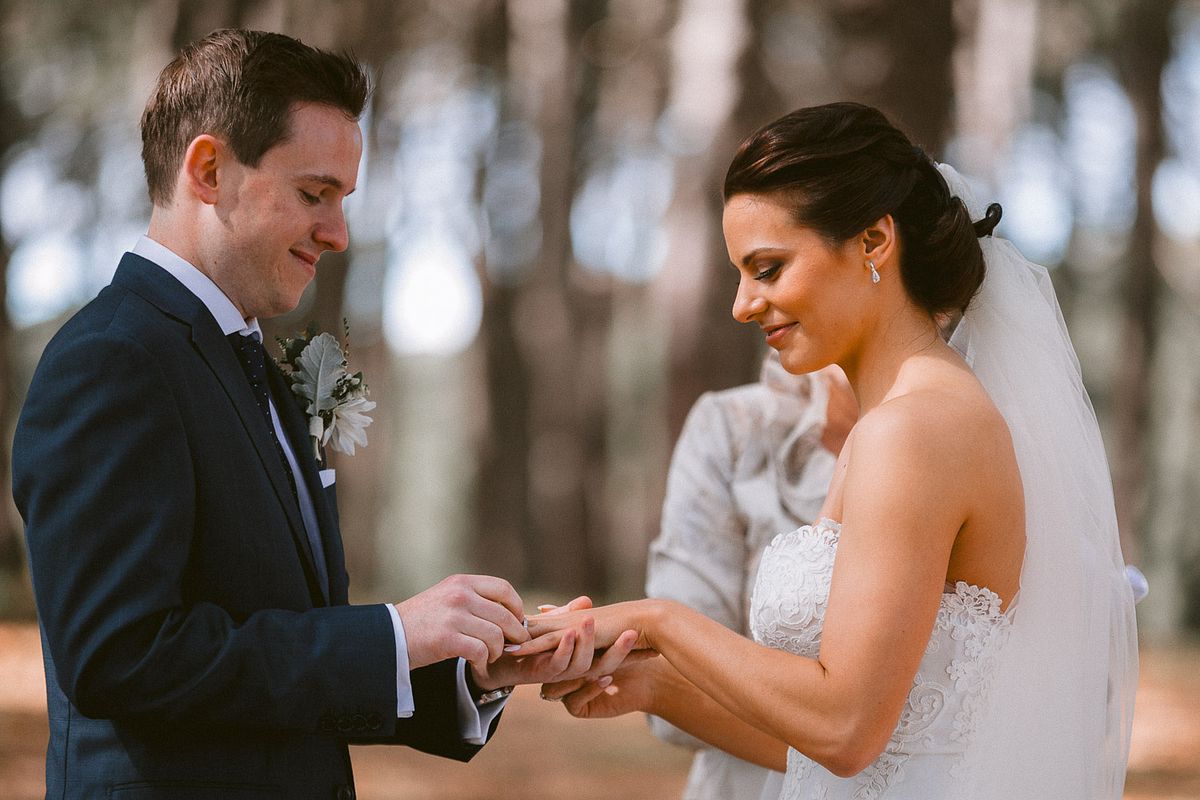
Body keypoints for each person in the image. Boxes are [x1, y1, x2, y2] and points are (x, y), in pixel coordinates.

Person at [11, 29, 630, 799]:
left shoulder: (256, 369)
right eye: (314, 194)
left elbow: (283, 659)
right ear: (208, 170)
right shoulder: (112, 361)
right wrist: (394, 633)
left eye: (343, 199)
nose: (338, 233)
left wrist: (465, 668)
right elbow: (120, 659)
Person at [524, 102, 1138, 798]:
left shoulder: (914, 431)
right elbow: (879, 742)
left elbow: (845, 730)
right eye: (740, 273)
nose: (742, 304)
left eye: (768, 268)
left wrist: (656, 619)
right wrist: (653, 682)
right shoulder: (920, 416)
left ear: (874, 241)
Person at [645, 354, 854, 799]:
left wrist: (658, 632)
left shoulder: (987, 434)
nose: (744, 307)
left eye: (769, 276)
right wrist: (650, 669)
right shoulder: (733, 428)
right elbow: (671, 676)